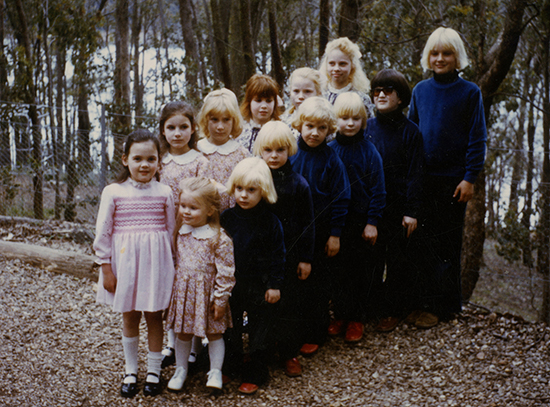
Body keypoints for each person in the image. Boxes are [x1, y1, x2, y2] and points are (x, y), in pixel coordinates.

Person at [408, 27, 487, 325]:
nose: (440, 59)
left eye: (447, 53)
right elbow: (412, 135)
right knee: (420, 241)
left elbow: (477, 138)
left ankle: (442, 307)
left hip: (453, 181)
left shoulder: (470, 92)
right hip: (423, 178)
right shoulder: (420, 90)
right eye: (435, 53)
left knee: (446, 242)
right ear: (428, 56)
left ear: (457, 57)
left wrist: (469, 177)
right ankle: (419, 301)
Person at [93, 129, 176, 398]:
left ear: (158, 162)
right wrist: (106, 267)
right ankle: (131, 371)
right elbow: (103, 232)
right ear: (125, 159)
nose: (144, 165)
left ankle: (153, 371)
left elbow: (172, 232)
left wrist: (173, 266)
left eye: (151, 159)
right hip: (125, 266)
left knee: (154, 317)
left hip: (156, 266)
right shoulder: (113, 192)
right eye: (138, 158)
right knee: (129, 317)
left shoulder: (165, 192)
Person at [253, 121, 315, 377]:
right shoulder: (255, 181)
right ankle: (262, 352)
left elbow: (309, 224)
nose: (274, 156)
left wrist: (306, 259)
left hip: (290, 255)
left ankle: (289, 352)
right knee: (263, 306)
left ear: (289, 150)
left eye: (280, 150)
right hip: (261, 258)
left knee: (289, 305)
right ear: (260, 151)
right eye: (268, 150)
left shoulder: (299, 184)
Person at [290, 96, 350, 355]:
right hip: (292, 229)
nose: (314, 133)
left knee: (318, 283)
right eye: (309, 126)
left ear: (330, 130)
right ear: (299, 125)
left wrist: (335, 234)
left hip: (321, 228)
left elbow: (342, 196)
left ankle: (315, 332)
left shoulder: (331, 159)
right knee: (294, 283)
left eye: (322, 128)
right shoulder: (289, 153)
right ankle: (292, 332)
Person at [365, 69, 425, 331]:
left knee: (397, 261)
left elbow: (416, 175)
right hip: (370, 208)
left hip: (399, 208)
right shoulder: (366, 128)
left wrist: (411, 211)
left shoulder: (411, 132)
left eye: (387, 91)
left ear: (400, 98)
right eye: (376, 91)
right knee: (371, 259)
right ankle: (370, 308)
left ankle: (392, 310)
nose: (380, 95)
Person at [220, 157, 285, 395]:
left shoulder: (270, 222)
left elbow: (279, 255)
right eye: (239, 189)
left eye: (251, 190)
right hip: (232, 285)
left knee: (259, 330)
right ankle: (231, 364)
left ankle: (257, 371)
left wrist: (275, 284)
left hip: (260, 285)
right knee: (231, 327)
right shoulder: (227, 218)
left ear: (264, 191)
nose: (244, 195)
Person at [164, 177, 235, 392]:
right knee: (183, 333)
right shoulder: (181, 233)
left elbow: (226, 272)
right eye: (183, 206)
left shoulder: (219, 238)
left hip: (209, 295)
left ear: (211, 210)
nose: (186, 211)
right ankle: (181, 369)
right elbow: (176, 263)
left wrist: (221, 299)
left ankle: (215, 371)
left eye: (193, 208)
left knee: (214, 333)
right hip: (185, 294)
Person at [328, 92, 386, 342]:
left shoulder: (369, 152)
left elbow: (379, 190)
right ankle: (340, 314)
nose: (349, 124)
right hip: (336, 224)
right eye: (344, 118)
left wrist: (372, 222)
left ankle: (357, 318)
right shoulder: (329, 150)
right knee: (338, 271)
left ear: (363, 121)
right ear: (335, 121)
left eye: (355, 118)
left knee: (361, 271)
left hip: (361, 222)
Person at [157, 101, 209, 369]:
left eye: (183, 127)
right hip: (162, 231)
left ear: (193, 129)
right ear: (163, 131)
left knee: (190, 287)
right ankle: (171, 344)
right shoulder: (159, 161)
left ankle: (195, 347)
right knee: (171, 288)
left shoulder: (200, 161)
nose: (177, 133)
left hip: (190, 232)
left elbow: (203, 196)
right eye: (171, 128)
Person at [197, 88, 250, 211]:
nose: (220, 127)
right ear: (206, 120)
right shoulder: (197, 150)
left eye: (226, 120)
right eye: (214, 120)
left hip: (232, 215)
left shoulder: (241, 154)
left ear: (234, 120)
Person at [318, 37, 375, 117]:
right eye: (332, 63)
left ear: (352, 65)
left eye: (342, 64)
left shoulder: (361, 98)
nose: (336, 69)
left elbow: (368, 126)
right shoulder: (319, 94)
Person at [238, 73, 281, 152]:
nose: (264, 106)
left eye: (268, 101)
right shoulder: (240, 132)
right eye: (258, 100)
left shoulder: (280, 131)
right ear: (249, 102)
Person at [281, 67, 323, 136]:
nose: (301, 96)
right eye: (296, 91)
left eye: (307, 91)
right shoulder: (283, 122)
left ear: (318, 93)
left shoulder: (325, 121)